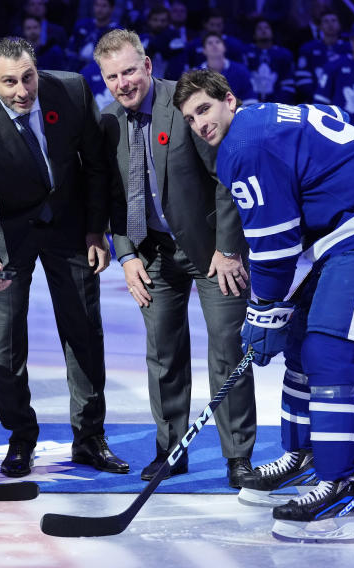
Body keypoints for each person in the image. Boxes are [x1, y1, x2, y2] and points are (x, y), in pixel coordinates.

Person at [174, 68, 354, 542]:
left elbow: (274, 247)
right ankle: (305, 458)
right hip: (352, 226)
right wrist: (273, 312)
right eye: (191, 119)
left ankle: (340, 489)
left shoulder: (243, 146)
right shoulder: (258, 121)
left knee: (328, 351)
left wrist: (262, 308)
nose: (200, 124)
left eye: (205, 109)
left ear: (228, 100)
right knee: (298, 341)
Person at [0, 36, 127, 478]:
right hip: (8, 234)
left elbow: (95, 165)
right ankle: (20, 438)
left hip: (70, 226)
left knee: (84, 331)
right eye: (9, 82)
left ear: (38, 70)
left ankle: (89, 439)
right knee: (7, 342)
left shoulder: (70, 89)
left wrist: (95, 228)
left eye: (28, 77)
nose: (22, 90)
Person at [93, 30, 255, 488]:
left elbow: (227, 176)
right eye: (112, 76)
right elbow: (110, 197)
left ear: (147, 65)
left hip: (211, 251)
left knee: (228, 349)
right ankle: (171, 450)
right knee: (162, 353)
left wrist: (227, 249)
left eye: (129, 70)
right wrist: (124, 254)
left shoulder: (185, 106)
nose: (123, 82)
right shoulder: (105, 122)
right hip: (150, 252)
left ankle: (238, 457)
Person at [295, 9, 349, 103]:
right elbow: (302, 79)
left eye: (333, 21)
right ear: (320, 26)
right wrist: (319, 97)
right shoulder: (308, 49)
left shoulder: (348, 49)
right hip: (314, 100)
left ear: (339, 25)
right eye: (326, 21)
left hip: (344, 100)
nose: (330, 24)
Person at [244, 18, 295, 104]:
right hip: (250, 102)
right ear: (254, 34)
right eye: (259, 28)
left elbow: (288, 84)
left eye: (266, 28)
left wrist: (277, 104)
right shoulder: (245, 52)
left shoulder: (284, 54)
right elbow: (243, 81)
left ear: (272, 32)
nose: (263, 30)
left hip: (278, 103)